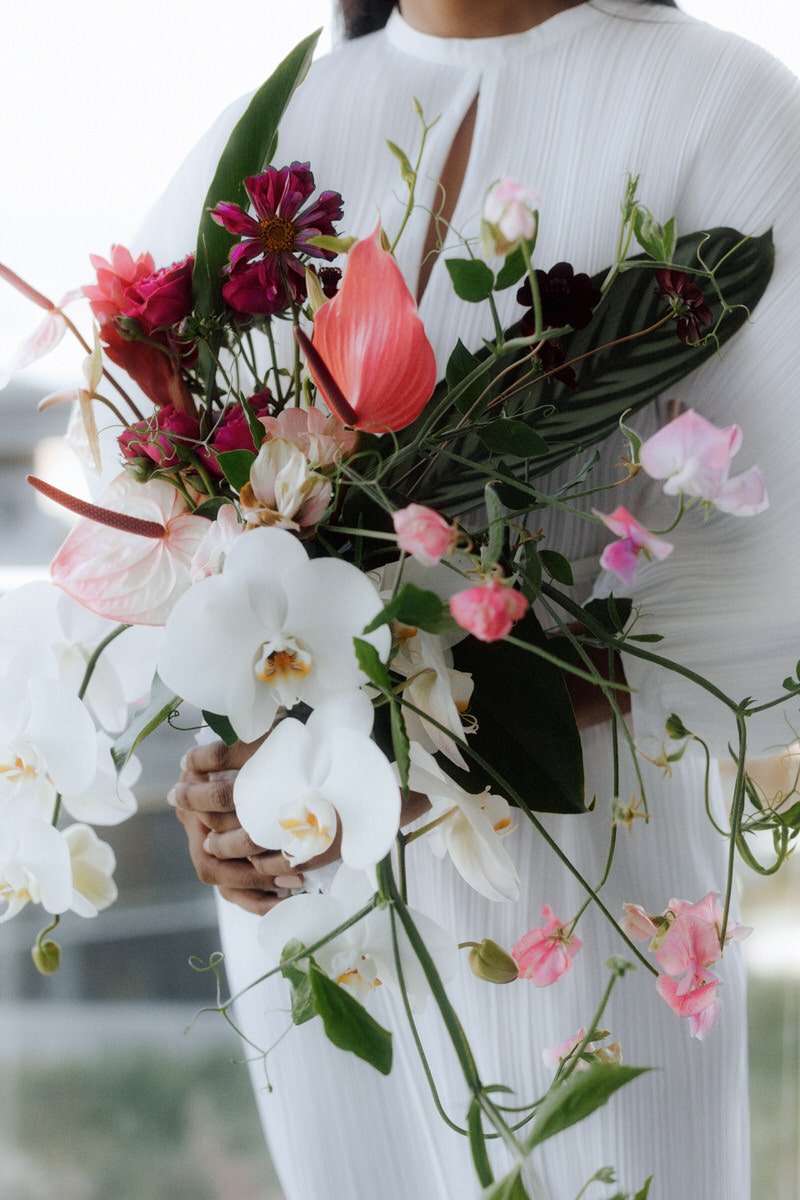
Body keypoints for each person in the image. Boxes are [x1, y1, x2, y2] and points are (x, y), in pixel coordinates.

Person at [151, 2, 800, 1196]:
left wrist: (431, 734)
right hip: (308, 893)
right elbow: (164, 517)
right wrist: (216, 773)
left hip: (585, 885)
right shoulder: (285, 128)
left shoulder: (723, 106)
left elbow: (776, 559)